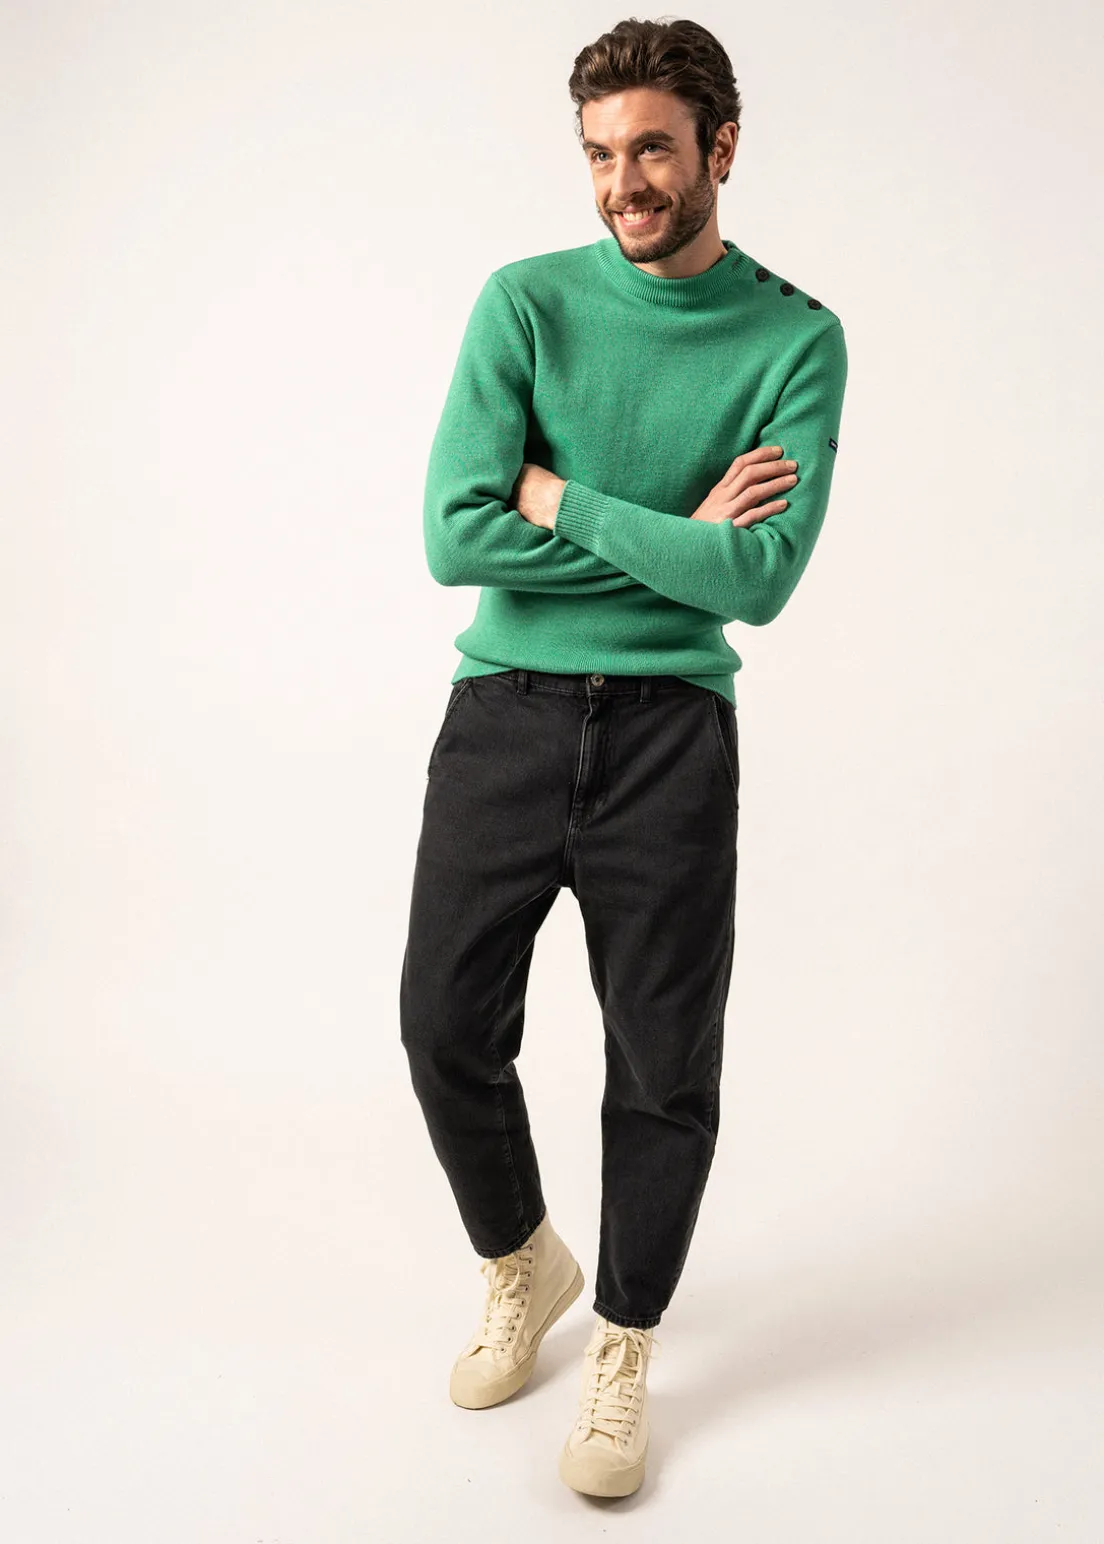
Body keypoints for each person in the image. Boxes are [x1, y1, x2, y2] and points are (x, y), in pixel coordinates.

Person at [399, 16, 848, 1499]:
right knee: (442, 1026)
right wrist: (674, 539)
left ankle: (626, 1342)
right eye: (600, 154)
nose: (623, 184)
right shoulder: (524, 303)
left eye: (653, 148)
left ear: (722, 147)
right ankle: (523, 1257)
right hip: (505, 716)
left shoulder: (795, 340)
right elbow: (455, 536)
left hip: (670, 739)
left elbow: (759, 580)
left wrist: (559, 498)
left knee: (661, 1066)